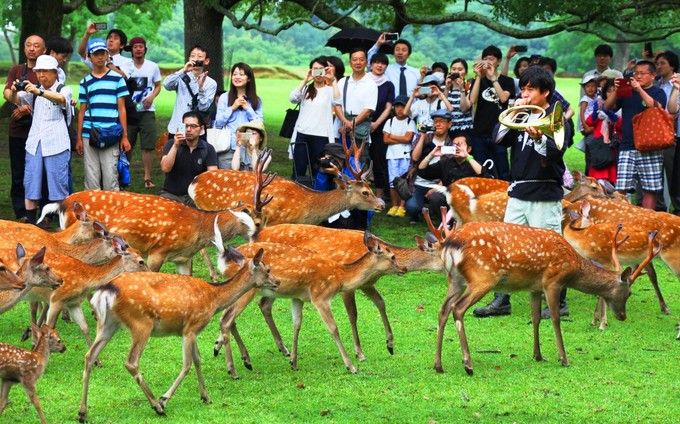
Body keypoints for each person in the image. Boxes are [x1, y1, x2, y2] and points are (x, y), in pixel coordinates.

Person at [473, 66, 571, 318]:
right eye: (523, 88)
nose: (525, 93)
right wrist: (512, 112)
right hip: (518, 192)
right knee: (505, 247)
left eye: (530, 89)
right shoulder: (521, 114)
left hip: (545, 191)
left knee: (550, 249)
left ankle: (558, 303)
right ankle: (502, 299)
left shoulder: (559, 119)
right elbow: (498, 138)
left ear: (546, 92)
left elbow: (554, 153)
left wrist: (539, 138)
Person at [7, 55, 71, 224]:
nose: (42, 75)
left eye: (45, 71)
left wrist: (39, 92)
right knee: (31, 183)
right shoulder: (33, 89)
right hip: (35, 143)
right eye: (39, 71)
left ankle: (62, 225)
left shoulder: (63, 89)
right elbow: (16, 100)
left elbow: (62, 100)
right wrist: (14, 90)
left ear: (55, 73)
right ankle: (30, 223)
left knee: (58, 185)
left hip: (57, 143)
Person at [605, 60, 667, 210]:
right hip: (627, 145)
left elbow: (655, 108)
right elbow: (608, 107)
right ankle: (622, 221)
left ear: (653, 76)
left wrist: (639, 89)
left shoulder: (658, 92)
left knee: (650, 189)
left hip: (650, 146)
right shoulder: (627, 92)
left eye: (642, 73)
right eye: (636, 73)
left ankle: (646, 223)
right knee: (621, 188)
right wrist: (616, 91)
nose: (637, 76)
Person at [76, 38, 131, 191]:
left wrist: (124, 136)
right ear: (89, 56)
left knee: (110, 178)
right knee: (91, 177)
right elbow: (82, 111)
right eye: (96, 54)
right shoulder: (85, 82)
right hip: (89, 133)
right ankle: (92, 212)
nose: (100, 57)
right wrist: (79, 138)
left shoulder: (117, 79)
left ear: (107, 55)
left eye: (103, 53)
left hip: (111, 133)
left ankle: (111, 213)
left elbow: (122, 109)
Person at [4, 35, 46, 221]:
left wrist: (29, 109)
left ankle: (44, 212)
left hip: (41, 131)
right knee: (18, 172)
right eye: (28, 45)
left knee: (41, 171)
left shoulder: (48, 71)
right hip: (18, 131)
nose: (32, 49)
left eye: (36, 46)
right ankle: (21, 213)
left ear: (43, 50)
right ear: (24, 49)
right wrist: (18, 101)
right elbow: (7, 93)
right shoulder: (16, 70)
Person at [468, 45, 515, 180]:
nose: (488, 62)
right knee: (481, 169)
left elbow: (503, 98)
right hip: (479, 132)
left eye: (491, 59)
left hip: (499, 132)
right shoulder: (478, 80)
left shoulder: (507, 81)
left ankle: (505, 196)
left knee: (502, 169)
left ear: (498, 61)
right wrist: (478, 77)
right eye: (485, 59)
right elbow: (472, 99)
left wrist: (493, 77)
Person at [289, 56, 339, 180]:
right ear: (311, 70)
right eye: (315, 69)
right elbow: (292, 98)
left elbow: (338, 101)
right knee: (298, 170)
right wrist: (305, 80)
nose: (318, 73)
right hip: (303, 133)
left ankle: (317, 196)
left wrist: (333, 80)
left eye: (321, 69)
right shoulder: (306, 89)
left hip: (321, 136)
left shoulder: (329, 90)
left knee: (318, 170)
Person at [121, 36, 161, 189]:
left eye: (141, 46)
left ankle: (148, 177)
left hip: (147, 111)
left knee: (148, 146)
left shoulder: (152, 66)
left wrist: (151, 97)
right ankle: (125, 177)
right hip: (129, 111)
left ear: (145, 49)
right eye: (135, 46)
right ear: (131, 49)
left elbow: (158, 85)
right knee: (127, 144)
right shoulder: (125, 66)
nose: (138, 49)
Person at [405, 109, 454, 223]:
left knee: (436, 199)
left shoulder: (451, 144)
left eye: (442, 121)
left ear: (449, 124)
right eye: (435, 121)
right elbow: (415, 157)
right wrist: (422, 136)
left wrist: (436, 188)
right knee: (412, 207)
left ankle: (436, 213)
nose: (438, 124)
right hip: (419, 182)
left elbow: (450, 169)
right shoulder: (425, 138)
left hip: (438, 183)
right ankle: (417, 212)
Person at [159, 111, 218, 205]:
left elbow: (213, 177)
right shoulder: (171, 144)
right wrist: (175, 145)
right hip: (171, 195)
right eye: (186, 126)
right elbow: (165, 168)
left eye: (193, 126)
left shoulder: (208, 149)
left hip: (195, 197)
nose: (189, 129)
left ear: (201, 129)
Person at [164, 45, 217, 142]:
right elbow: (166, 85)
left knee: (196, 155)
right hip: (178, 125)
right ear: (189, 59)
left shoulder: (211, 83)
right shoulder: (181, 77)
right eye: (193, 56)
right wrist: (183, 70)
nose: (195, 59)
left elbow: (203, 107)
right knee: (175, 154)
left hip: (197, 128)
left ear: (206, 61)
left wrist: (201, 88)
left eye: (200, 57)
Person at [214, 62, 262, 169]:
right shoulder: (224, 98)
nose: (237, 77)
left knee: (248, 182)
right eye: (234, 74)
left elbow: (260, 125)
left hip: (249, 148)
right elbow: (218, 123)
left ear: (249, 78)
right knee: (228, 182)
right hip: (228, 148)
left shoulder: (256, 100)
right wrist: (232, 107)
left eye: (241, 74)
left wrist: (248, 108)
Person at [654, 51, 680, 214]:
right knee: (655, 174)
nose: (658, 66)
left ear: (672, 65)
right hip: (656, 135)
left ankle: (677, 209)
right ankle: (660, 209)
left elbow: (673, 111)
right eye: (657, 63)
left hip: (671, 135)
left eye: (662, 63)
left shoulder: (676, 84)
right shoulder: (658, 84)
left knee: (673, 175)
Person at [336, 49, 378, 148]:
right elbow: (337, 104)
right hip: (342, 128)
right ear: (350, 62)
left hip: (360, 130)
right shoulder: (342, 82)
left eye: (361, 59)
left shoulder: (371, 84)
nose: (358, 62)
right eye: (354, 59)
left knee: (358, 161)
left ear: (366, 62)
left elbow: (368, 110)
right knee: (340, 159)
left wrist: (350, 125)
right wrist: (345, 122)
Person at [368, 52, 395, 200]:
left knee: (379, 159)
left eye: (383, 63)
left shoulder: (388, 84)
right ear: (371, 64)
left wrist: (376, 124)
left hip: (380, 127)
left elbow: (388, 107)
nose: (379, 65)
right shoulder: (364, 80)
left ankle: (379, 194)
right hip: (361, 123)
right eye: (376, 62)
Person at [383, 95, 416, 217]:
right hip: (391, 155)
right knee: (392, 181)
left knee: (404, 181)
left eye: (402, 106)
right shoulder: (390, 121)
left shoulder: (410, 121)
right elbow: (385, 139)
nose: (400, 109)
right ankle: (394, 205)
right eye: (397, 106)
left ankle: (402, 206)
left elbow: (408, 138)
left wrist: (393, 136)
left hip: (405, 155)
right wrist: (401, 139)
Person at [445, 58, 473, 133]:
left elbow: (464, 108)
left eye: (460, 69)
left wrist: (462, 90)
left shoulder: (469, 86)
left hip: (464, 129)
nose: (456, 72)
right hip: (448, 130)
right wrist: (447, 88)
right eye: (453, 69)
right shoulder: (445, 87)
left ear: (466, 72)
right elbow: (442, 106)